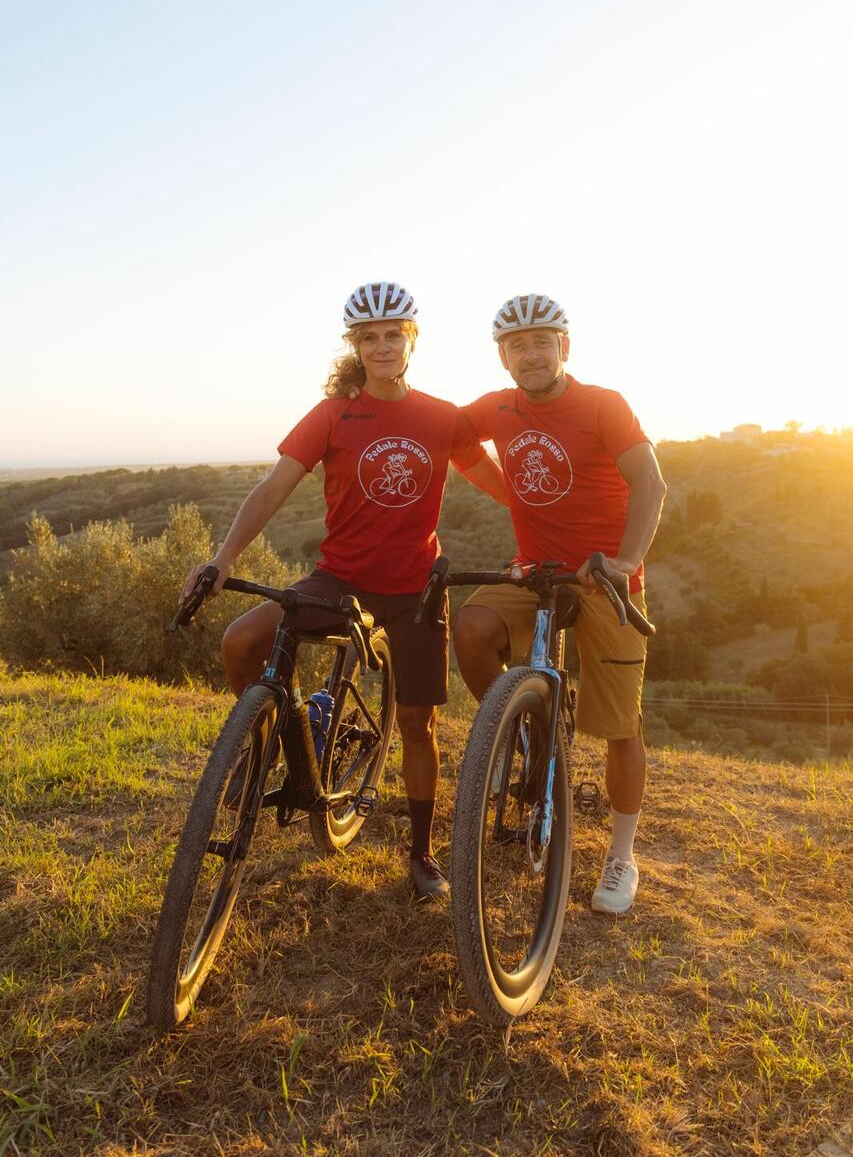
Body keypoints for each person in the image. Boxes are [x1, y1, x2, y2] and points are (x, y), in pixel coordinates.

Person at [181, 282, 507, 901]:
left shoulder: (443, 417)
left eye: (393, 334)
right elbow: (272, 488)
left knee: (418, 724)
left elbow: (497, 481)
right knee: (240, 641)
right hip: (339, 578)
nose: (382, 346)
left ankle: (421, 852)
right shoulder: (333, 413)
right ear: (355, 347)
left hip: (415, 587)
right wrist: (223, 558)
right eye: (369, 337)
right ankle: (271, 739)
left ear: (411, 340)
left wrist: (553, 534)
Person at [453, 295, 667, 915]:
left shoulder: (603, 404)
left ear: (564, 348)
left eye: (542, 342)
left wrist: (624, 564)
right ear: (502, 357)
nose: (530, 354)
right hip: (538, 574)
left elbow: (650, 484)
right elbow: (456, 445)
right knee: (470, 627)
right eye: (517, 345)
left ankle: (623, 855)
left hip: (605, 578)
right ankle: (516, 734)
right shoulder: (495, 407)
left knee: (621, 725)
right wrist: (510, 493)